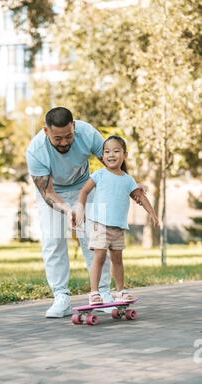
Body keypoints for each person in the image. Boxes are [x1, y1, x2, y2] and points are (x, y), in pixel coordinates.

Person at [26, 107, 144, 318]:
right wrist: (68, 209)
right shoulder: (36, 150)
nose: (64, 142)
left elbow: (112, 160)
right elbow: (47, 192)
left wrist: (131, 186)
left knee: (96, 240)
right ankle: (61, 296)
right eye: (58, 138)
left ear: (75, 127)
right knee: (54, 242)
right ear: (46, 131)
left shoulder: (87, 133)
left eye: (68, 136)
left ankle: (103, 293)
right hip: (54, 196)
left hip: (85, 187)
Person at [75, 135, 159, 305]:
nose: (110, 155)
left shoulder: (128, 180)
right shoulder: (99, 175)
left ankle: (120, 291)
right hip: (99, 224)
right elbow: (83, 192)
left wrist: (153, 214)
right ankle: (94, 293)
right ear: (103, 156)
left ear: (125, 155)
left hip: (118, 227)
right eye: (106, 152)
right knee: (98, 257)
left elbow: (140, 197)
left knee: (117, 260)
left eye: (115, 151)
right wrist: (80, 210)